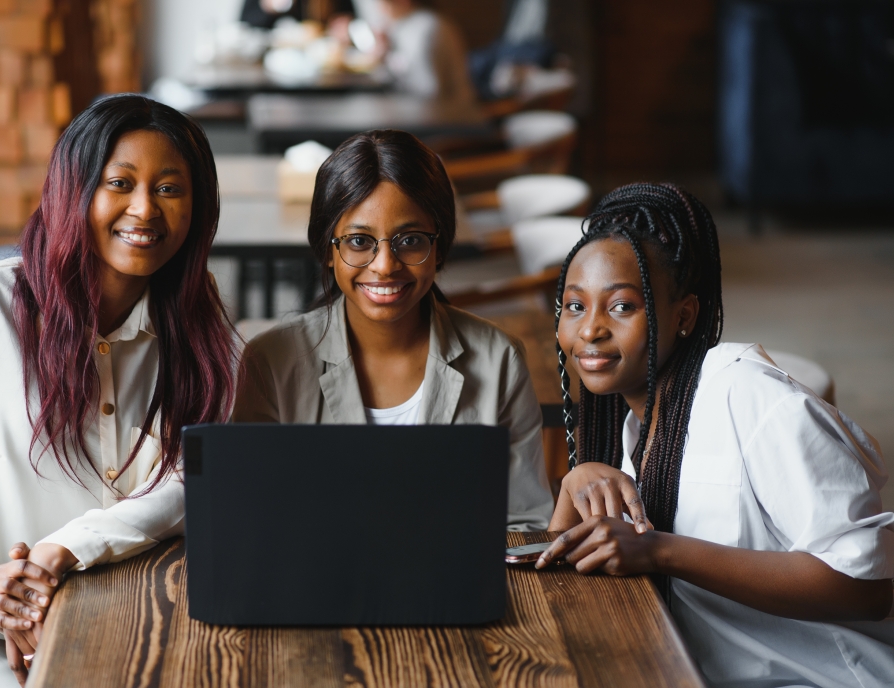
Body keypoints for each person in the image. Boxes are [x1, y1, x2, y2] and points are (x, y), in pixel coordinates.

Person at [0, 94, 238, 687]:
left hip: (107, 618)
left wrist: (66, 547)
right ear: (73, 190)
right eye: (120, 183)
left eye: (170, 189)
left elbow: (197, 476)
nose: (144, 208)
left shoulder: (197, 328)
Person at [535, 183, 894, 686]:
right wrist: (575, 488)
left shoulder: (750, 398)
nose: (590, 329)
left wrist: (661, 550)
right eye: (575, 306)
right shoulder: (630, 424)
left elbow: (868, 586)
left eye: (621, 307)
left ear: (684, 316)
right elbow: (564, 590)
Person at [233, 129, 553, 530]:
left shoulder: (498, 359)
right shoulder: (272, 362)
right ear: (328, 251)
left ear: (439, 248)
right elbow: (252, 515)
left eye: (411, 240)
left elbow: (523, 523)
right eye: (359, 241)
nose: (385, 265)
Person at [374, 0, 475, 102]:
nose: (380, 9)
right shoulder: (402, 27)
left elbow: (431, 90)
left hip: (449, 110)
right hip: (427, 106)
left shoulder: (429, 28)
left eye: (383, 3)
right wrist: (383, 57)